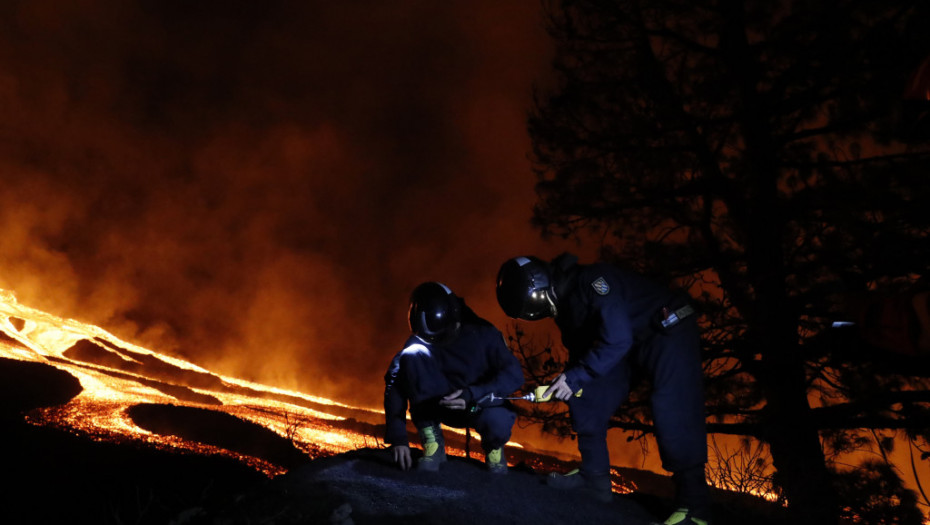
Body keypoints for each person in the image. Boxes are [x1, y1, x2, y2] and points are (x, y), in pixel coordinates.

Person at [496, 253, 711, 525]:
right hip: (627, 345)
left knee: (671, 405)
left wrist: (576, 377)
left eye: (536, 305)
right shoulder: (565, 308)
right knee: (586, 395)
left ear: (541, 285)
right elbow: (583, 354)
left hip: (666, 328)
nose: (541, 312)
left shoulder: (594, 281)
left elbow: (617, 338)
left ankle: (696, 509)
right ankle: (594, 479)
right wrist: (569, 382)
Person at [383, 281, 524, 474]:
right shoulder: (419, 343)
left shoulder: (484, 335)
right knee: (412, 355)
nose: (434, 343)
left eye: (439, 338)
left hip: (478, 405)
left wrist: (472, 394)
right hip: (437, 406)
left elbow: (515, 375)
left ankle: (494, 448)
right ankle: (432, 443)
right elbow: (395, 387)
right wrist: (398, 437)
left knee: (497, 421)